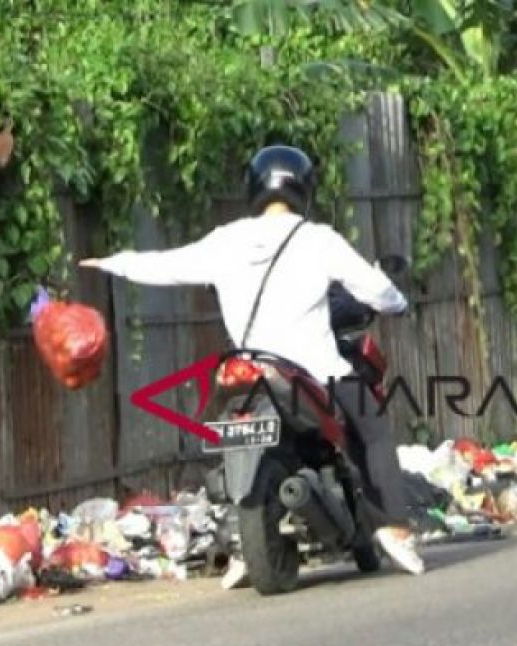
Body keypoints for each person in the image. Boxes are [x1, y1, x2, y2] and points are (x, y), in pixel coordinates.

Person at [79, 144, 425, 575]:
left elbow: (166, 266)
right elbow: (374, 289)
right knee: (372, 427)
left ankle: (243, 546)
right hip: (316, 370)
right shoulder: (317, 239)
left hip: (248, 366)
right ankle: (393, 526)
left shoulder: (225, 240)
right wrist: (399, 302)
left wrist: (111, 263)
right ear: (304, 188)